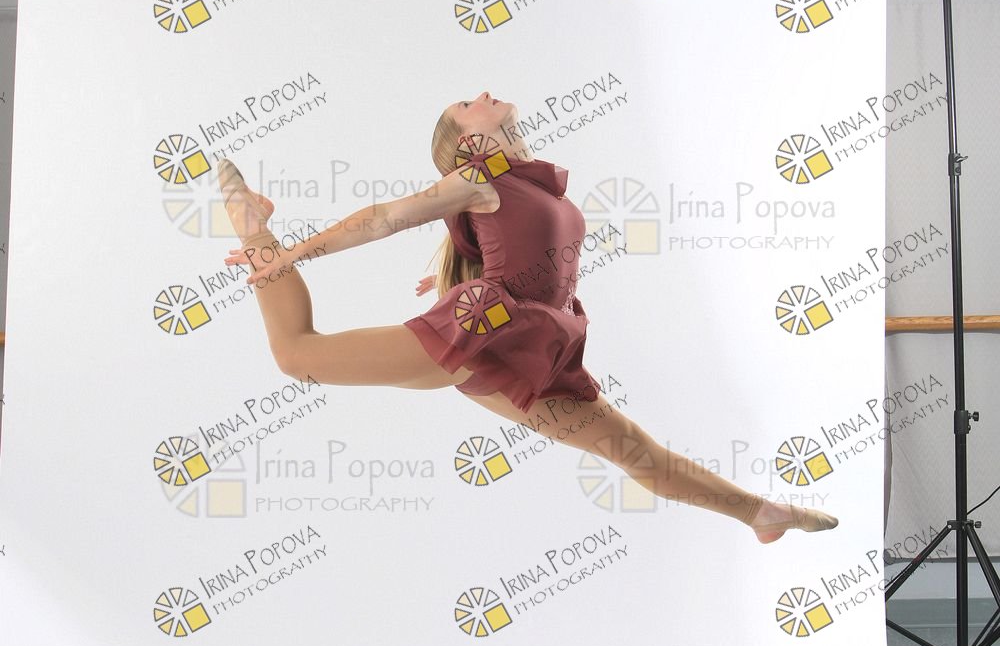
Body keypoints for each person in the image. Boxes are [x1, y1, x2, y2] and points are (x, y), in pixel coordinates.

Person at [218, 90, 838, 543]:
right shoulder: (478, 176)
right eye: (468, 104)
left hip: (530, 339)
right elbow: (383, 218)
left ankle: (760, 513)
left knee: (633, 450)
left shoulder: (531, 184)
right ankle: (255, 227)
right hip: (493, 332)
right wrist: (297, 252)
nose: (483, 94)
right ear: (465, 144)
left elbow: (506, 248)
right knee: (296, 355)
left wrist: (458, 271)